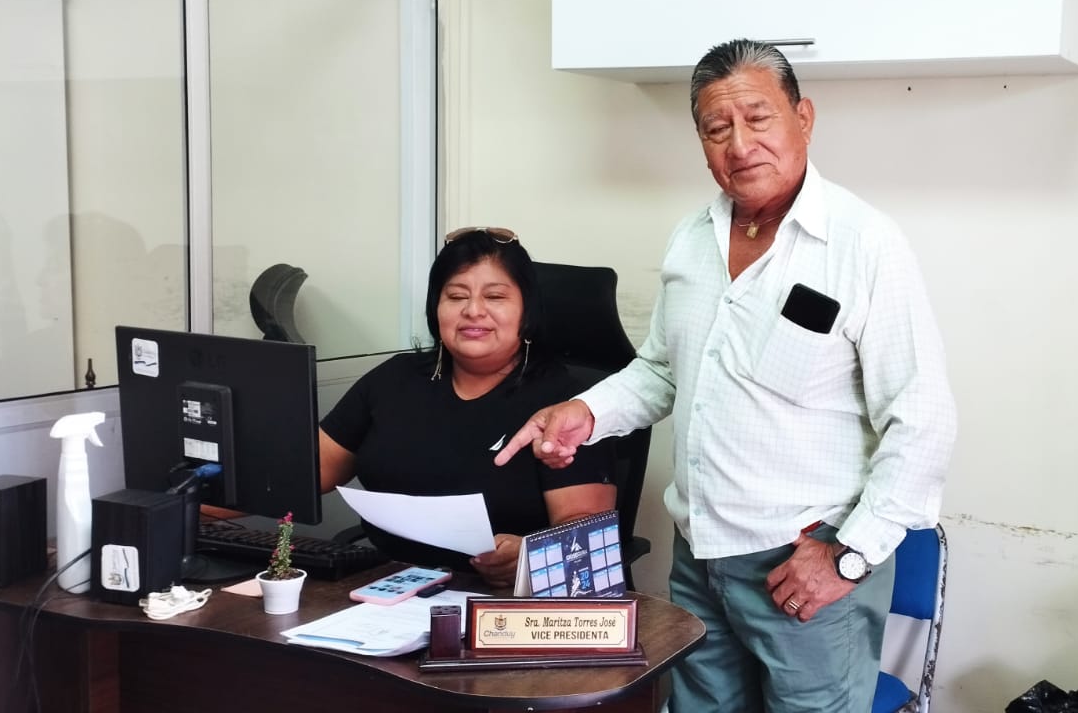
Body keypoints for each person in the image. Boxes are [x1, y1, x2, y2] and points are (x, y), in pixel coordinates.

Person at [495, 39, 956, 712]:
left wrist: (848, 556)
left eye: (758, 118)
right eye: (717, 128)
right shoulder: (692, 239)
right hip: (699, 556)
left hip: (803, 566)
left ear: (804, 117)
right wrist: (587, 413)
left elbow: (923, 420)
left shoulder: (865, 245)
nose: (740, 144)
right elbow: (662, 370)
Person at [319, 226, 617, 589]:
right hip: (388, 588)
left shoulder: (567, 403)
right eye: (456, 296)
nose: (473, 310)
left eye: (495, 296)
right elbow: (310, 471)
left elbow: (586, 535)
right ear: (436, 308)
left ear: (526, 310)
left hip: (505, 601)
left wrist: (529, 556)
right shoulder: (395, 378)